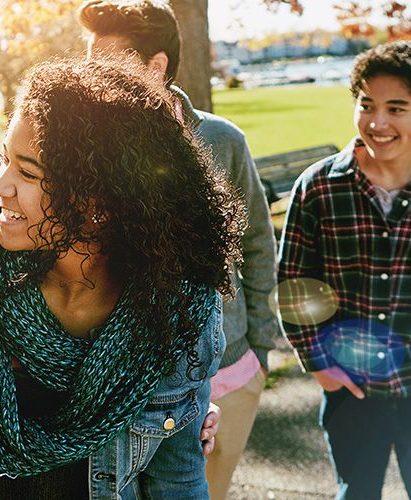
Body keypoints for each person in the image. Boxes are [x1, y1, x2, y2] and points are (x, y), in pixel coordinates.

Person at [0, 56, 244, 500]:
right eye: (4, 160)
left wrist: (190, 411)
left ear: (98, 201)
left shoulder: (177, 309)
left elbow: (177, 478)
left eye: (27, 172)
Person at [78, 1, 279, 497]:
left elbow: (255, 243)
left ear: (156, 66)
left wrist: (260, 351)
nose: (91, 75)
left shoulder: (221, 140)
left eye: (104, 61)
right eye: (88, 61)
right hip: (121, 386)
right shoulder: (83, 151)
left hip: (229, 368)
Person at [278, 41, 411, 499]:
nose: (379, 122)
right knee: (357, 493)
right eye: (367, 105)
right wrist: (320, 366)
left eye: (397, 108)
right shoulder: (318, 187)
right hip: (351, 390)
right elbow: (294, 285)